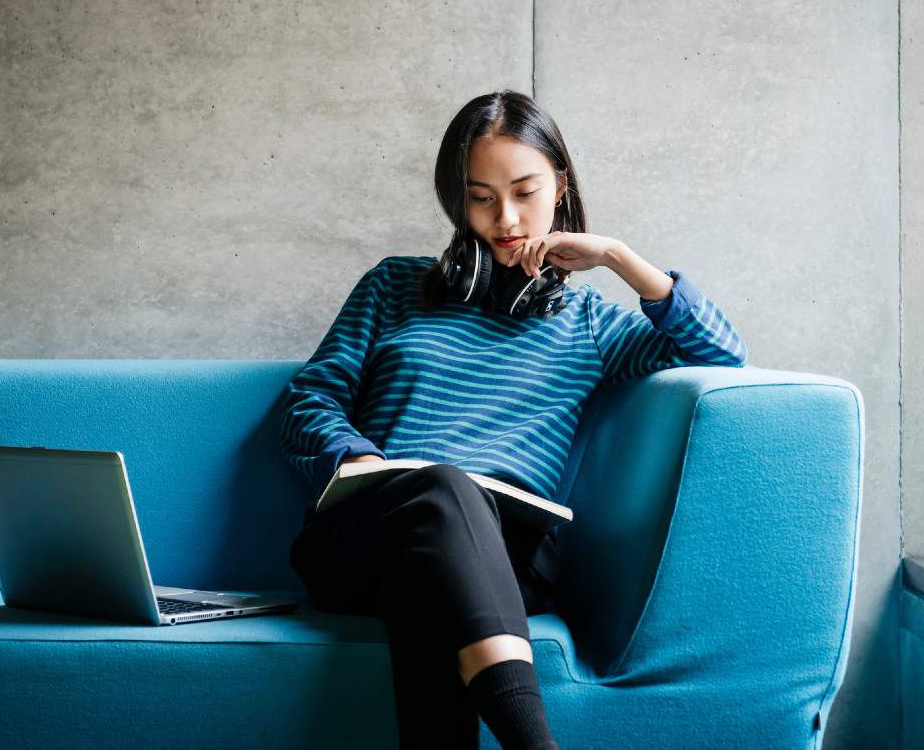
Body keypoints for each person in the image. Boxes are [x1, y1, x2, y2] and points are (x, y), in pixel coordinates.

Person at [279, 89, 749, 750]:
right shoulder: (393, 287)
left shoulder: (589, 325)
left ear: (560, 185)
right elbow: (309, 399)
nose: (505, 218)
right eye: (480, 197)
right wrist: (354, 458)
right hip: (368, 533)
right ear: (457, 200)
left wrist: (619, 257)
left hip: (502, 558)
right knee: (440, 491)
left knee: (431, 573)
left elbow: (723, 355)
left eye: (525, 192)